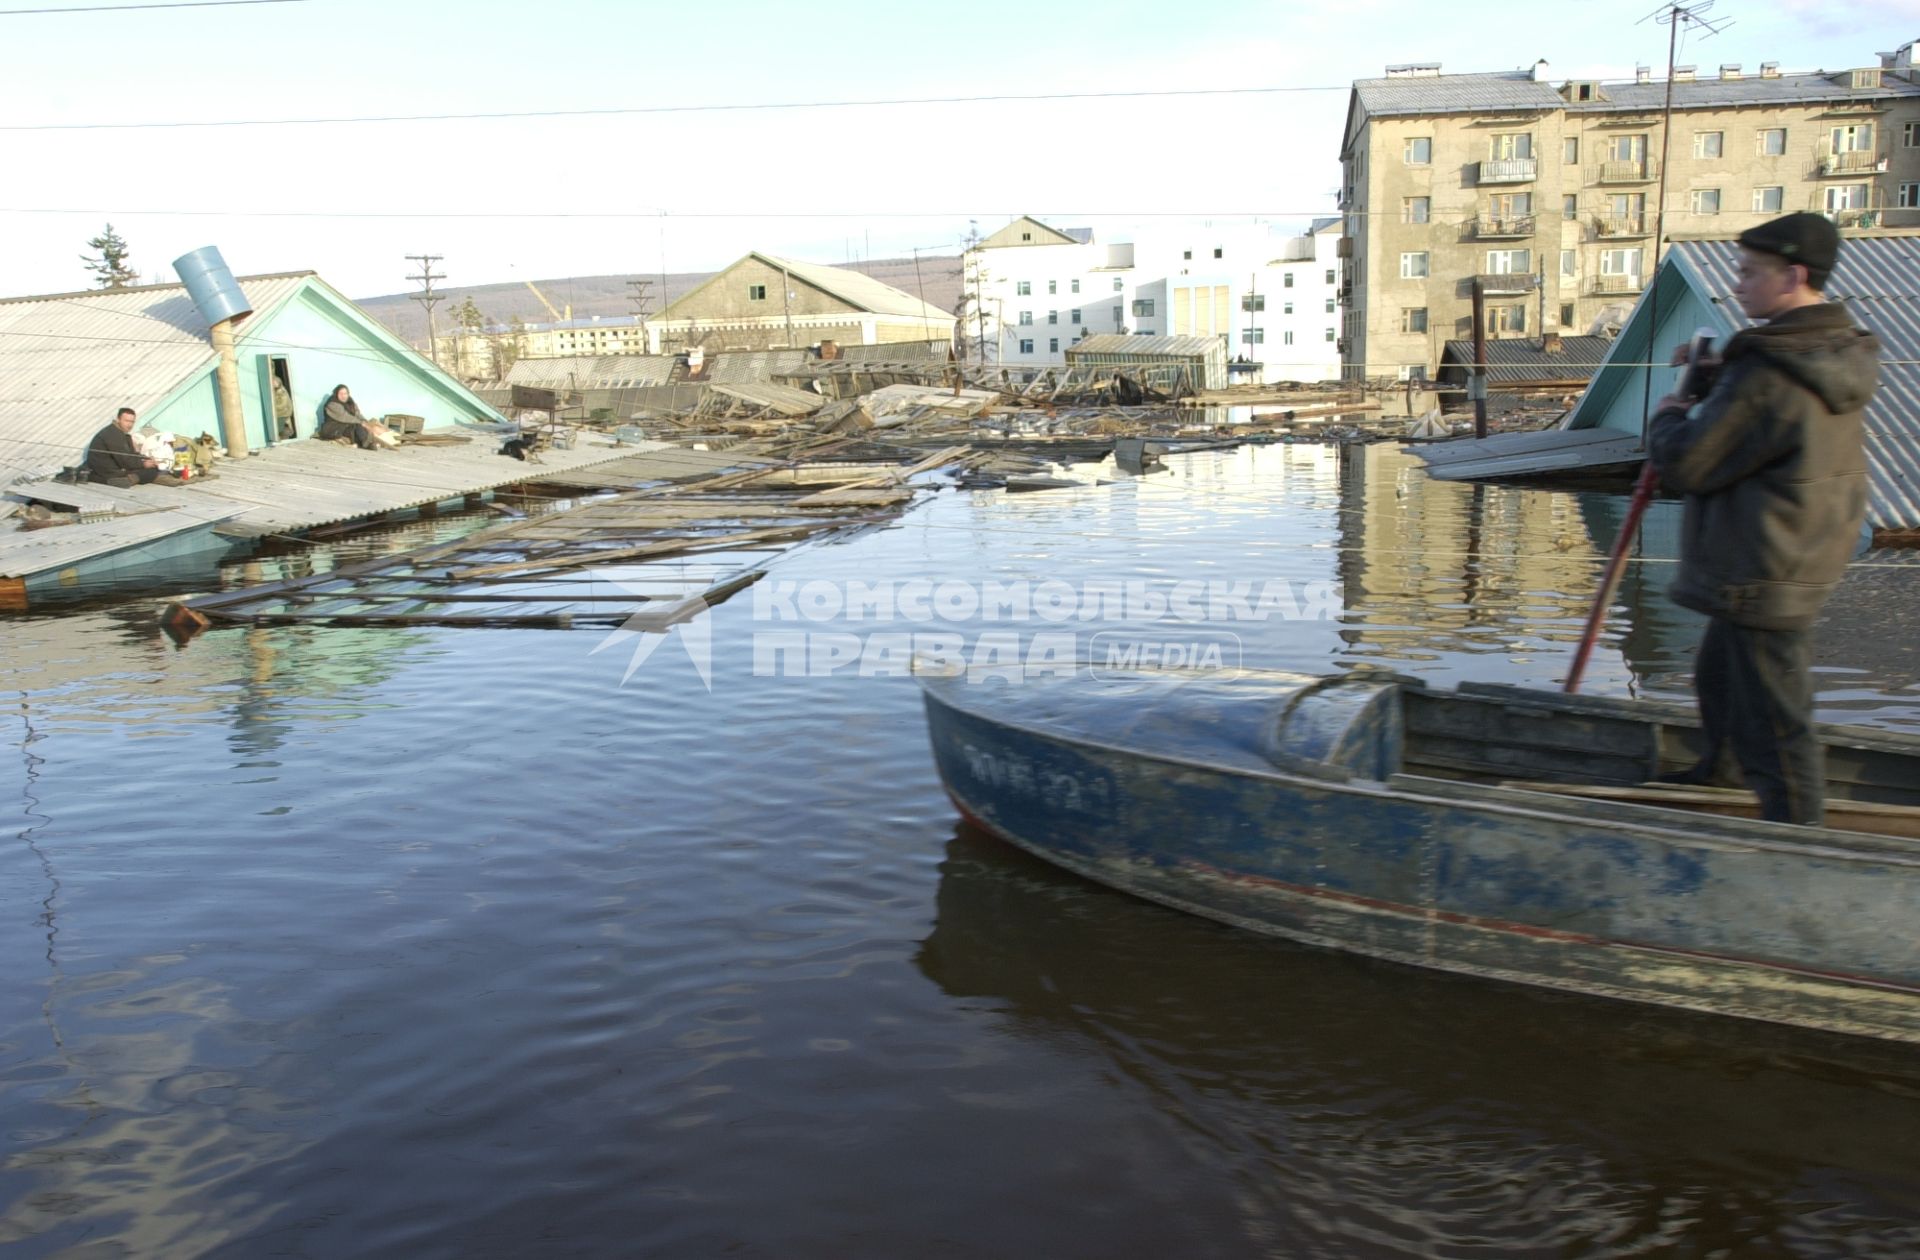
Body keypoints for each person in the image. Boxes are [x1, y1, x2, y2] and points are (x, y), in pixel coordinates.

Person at [1647, 212, 1877, 825]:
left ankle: (1797, 847)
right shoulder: (1825, 348)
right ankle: (1719, 781)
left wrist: (1670, 413)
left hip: (1765, 564)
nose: (1738, 283)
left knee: (1777, 720)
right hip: (1789, 549)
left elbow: (1691, 465)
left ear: (1793, 275)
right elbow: (1774, 421)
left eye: (1750, 272)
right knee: (1720, 679)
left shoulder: (1773, 369)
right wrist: (1722, 377)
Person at [85, 406, 182, 487]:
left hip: (113, 467)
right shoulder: (112, 434)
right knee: (151, 471)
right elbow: (124, 460)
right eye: (127, 421)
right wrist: (144, 464)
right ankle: (127, 479)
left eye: (132, 422)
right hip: (107, 471)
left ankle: (128, 479)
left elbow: (131, 454)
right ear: (118, 419)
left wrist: (147, 458)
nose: (130, 425)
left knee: (152, 467)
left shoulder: (121, 433)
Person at [320, 384, 391, 450]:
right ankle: (367, 444)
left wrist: (365, 421)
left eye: (345, 393)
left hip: (347, 425)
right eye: (341, 394)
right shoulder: (332, 404)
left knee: (367, 425)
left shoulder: (350, 402)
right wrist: (361, 423)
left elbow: (357, 414)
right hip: (333, 427)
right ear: (336, 394)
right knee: (357, 427)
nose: (343, 396)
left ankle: (371, 441)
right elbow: (345, 417)